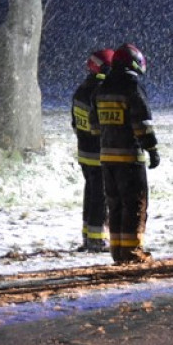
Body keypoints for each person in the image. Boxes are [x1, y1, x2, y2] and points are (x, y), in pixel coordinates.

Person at [90, 43, 159, 265]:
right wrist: (152, 148)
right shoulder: (132, 86)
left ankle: (118, 251)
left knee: (116, 205)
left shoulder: (102, 88)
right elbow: (143, 123)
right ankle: (132, 253)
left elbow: (94, 125)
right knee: (134, 205)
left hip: (107, 158)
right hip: (130, 158)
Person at [71, 48, 112, 252]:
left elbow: (74, 123)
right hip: (98, 153)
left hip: (84, 153)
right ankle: (97, 239)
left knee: (91, 193)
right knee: (100, 196)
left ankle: (88, 236)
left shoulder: (81, 90)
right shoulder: (100, 91)